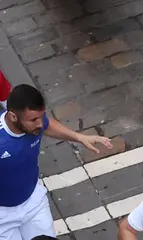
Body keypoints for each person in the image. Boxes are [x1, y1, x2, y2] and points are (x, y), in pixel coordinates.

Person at [0, 84, 112, 240]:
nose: (40, 123)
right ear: (13, 117)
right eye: (33, 119)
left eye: (41, 116)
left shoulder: (34, 124)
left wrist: (80, 138)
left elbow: (48, 125)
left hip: (33, 201)